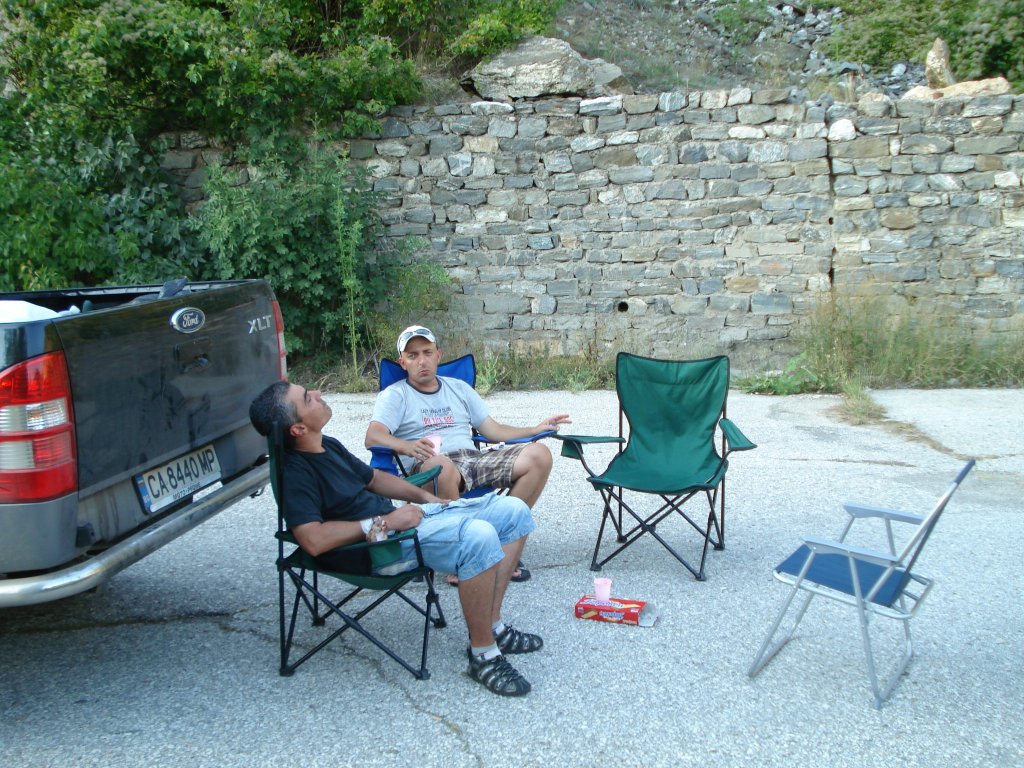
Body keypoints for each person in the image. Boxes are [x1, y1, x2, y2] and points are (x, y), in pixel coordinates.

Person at [250, 380, 543, 697]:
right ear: (297, 429)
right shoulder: (296, 472)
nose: (318, 394)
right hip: (377, 549)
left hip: (399, 524)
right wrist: (386, 522)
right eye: (308, 398)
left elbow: (373, 478)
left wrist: (425, 498)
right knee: (479, 536)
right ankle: (483, 655)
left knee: (514, 512)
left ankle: (493, 627)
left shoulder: (327, 445)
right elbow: (312, 540)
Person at [364, 325, 571, 585]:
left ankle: (500, 542)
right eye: (412, 356)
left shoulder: (458, 388)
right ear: (402, 362)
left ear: (438, 354)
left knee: (539, 455)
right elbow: (373, 436)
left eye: (427, 352)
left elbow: (492, 430)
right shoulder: (395, 395)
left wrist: (534, 429)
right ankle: (462, 556)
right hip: (430, 464)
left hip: (472, 459)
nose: (422, 361)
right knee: (442, 466)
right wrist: (405, 446)